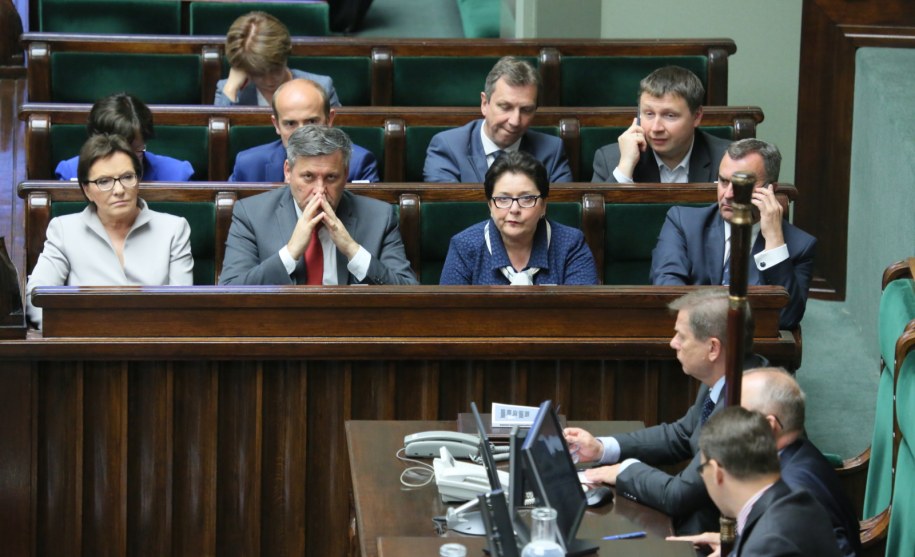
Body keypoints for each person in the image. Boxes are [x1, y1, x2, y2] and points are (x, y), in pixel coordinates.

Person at [563, 288, 766, 535]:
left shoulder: (741, 403)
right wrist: (601, 448)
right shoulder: (724, 377)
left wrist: (624, 471)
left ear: (713, 348)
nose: (673, 343)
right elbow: (681, 434)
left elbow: (679, 494)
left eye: (681, 336)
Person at [28, 134, 193, 328]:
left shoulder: (174, 229)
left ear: (138, 180)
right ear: (87, 190)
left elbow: (182, 306)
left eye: (127, 177)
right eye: (104, 181)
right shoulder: (64, 230)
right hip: (84, 347)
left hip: (154, 348)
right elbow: (36, 298)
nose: (119, 190)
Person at [649, 139, 816, 330]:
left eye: (741, 185)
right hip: (688, 342)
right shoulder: (683, 223)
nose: (727, 194)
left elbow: (786, 318)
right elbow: (669, 294)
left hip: (752, 350)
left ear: (771, 190)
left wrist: (774, 242)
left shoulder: (800, 246)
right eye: (723, 181)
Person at [219, 125, 416, 286]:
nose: (319, 190)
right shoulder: (251, 214)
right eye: (308, 177)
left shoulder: (380, 216)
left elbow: (409, 293)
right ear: (288, 171)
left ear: (346, 174)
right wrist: (290, 253)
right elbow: (230, 291)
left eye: (331, 177)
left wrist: (352, 249)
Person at [671, 407, 842, 557]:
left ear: (717, 473)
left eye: (702, 471)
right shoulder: (800, 500)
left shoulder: (767, 544)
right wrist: (737, 546)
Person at [740, 368, 861, 556]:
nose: (728, 424)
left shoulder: (794, 491)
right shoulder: (800, 452)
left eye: (737, 416)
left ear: (768, 426)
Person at [439, 151, 597, 285]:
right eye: (503, 199)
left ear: (543, 206)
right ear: (490, 206)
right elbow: (449, 316)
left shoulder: (570, 244)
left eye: (526, 198)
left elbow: (582, 315)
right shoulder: (464, 246)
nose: (514, 209)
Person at [423, 56, 572, 183]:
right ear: (484, 104)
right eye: (505, 107)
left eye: (526, 110)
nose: (515, 121)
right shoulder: (448, 147)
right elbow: (447, 212)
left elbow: (560, 211)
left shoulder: (551, 151)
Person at [591, 65, 728, 184]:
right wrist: (626, 167)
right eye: (649, 114)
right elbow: (598, 213)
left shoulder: (727, 158)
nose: (656, 128)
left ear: (697, 116)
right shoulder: (611, 159)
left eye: (670, 116)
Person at [229, 78, 378, 183]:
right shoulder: (248, 165)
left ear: (329, 119)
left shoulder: (358, 163)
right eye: (290, 123)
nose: (302, 134)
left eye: (312, 122)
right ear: (276, 125)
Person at [55, 93, 194, 182]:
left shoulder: (177, 175)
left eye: (134, 150)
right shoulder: (71, 173)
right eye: (113, 151)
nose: (123, 161)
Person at [215, 11, 341, 108]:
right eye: (258, 73)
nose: (269, 81)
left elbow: (337, 139)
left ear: (286, 54)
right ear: (242, 68)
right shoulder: (227, 90)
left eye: (276, 70)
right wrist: (230, 89)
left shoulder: (322, 87)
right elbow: (217, 139)